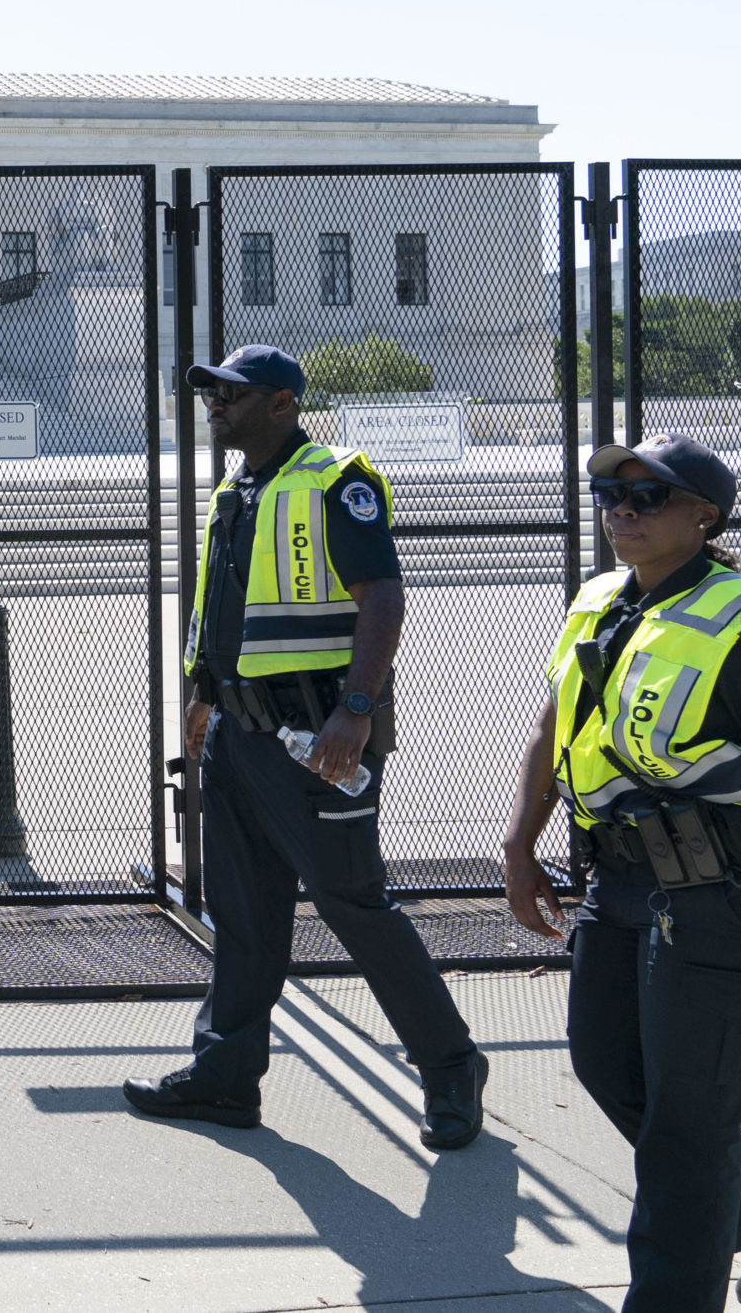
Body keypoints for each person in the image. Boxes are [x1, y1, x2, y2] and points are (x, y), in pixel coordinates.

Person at [501, 435, 741, 1313]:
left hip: (732, 903)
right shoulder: (598, 603)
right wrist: (520, 844)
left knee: (686, 1134)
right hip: (625, 885)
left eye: (649, 498)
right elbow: (551, 727)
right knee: (611, 1072)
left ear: (704, 516)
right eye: (611, 495)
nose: (622, 513)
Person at [126, 345, 486, 1150]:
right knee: (243, 913)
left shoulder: (334, 480)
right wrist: (204, 692)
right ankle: (224, 1077)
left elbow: (384, 596)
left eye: (232, 393)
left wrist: (356, 710)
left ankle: (452, 1064)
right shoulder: (238, 486)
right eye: (210, 393)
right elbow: (225, 605)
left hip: (317, 739)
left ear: (284, 401)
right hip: (237, 733)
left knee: (351, 902)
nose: (214, 403)